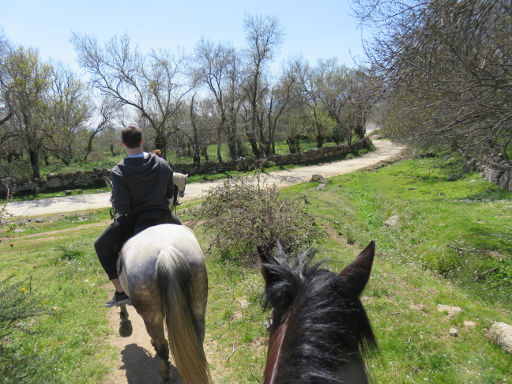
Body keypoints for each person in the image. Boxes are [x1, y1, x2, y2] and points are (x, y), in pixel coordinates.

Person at [95, 125, 181, 307]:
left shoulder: (118, 171)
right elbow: (168, 193)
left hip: (134, 220)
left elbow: (122, 207)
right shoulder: (162, 163)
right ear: (142, 141)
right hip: (164, 216)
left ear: (123, 143)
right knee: (187, 237)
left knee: (101, 245)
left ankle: (120, 291)